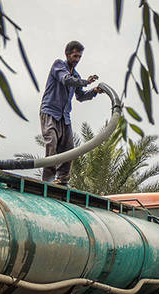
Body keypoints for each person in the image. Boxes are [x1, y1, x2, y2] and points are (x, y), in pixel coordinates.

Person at [39, 40, 102, 186]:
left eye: (79, 57)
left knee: (68, 148)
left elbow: (80, 96)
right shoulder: (58, 65)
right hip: (50, 111)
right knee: (52, 142)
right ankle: (47, 180)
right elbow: (66, 80)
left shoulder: (77, 76)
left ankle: (62, 179)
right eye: (75, 56)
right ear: (67, 54)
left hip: (64, 116)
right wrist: (86, 81)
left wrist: (93, 91)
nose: (77, 60)